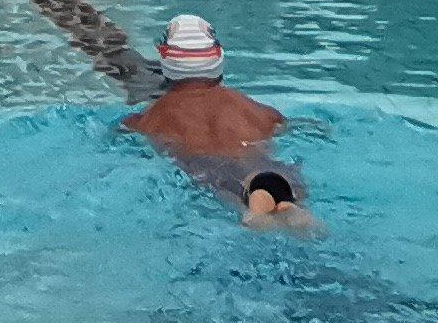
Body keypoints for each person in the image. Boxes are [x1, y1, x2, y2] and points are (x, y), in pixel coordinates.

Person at [123, 16, 306, 221]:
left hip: (217, 181)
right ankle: (286, 206)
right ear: (217, 58)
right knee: (278, 194)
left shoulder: (145, 120)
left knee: (241, 200)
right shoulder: (263, 113)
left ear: (166, 61)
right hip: (276, 176)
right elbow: (300, 128)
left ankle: (257, 210)